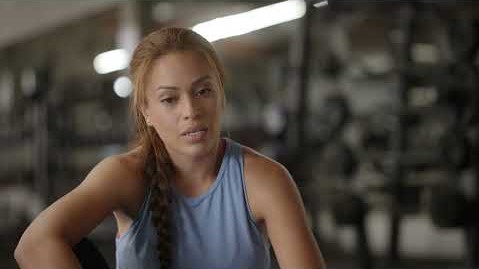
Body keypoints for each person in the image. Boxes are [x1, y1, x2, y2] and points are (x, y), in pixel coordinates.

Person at [14, 27, 326, 269]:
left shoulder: (264, 180)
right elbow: (35, 245)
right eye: (169, 99)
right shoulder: (125, 175)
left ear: (221, 95)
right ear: (146, 112)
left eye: (203, 91)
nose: (191, 110)